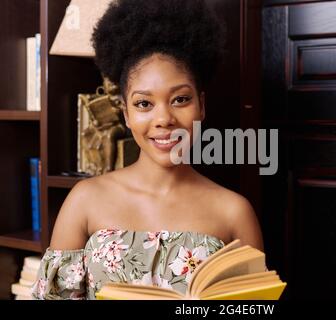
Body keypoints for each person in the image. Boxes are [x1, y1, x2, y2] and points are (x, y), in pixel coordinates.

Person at [31, 0, 263, 300]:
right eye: (144, 104)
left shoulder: (235, 213)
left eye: (180, 99)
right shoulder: (84, 201)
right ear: (126, 114)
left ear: (201, 106)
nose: (164, 119)